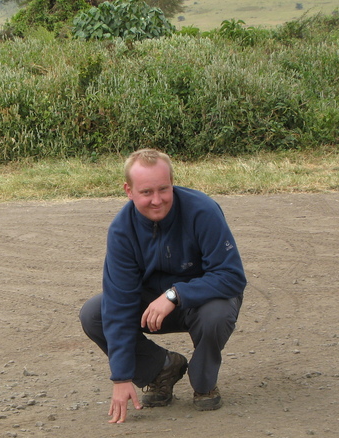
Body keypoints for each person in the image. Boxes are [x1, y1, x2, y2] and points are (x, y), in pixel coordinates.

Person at [79, 149, 246, 423]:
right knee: (94, 313)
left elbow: (232, 275)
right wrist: (122, 376)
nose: (157, 200)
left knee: (216, 313)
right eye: (146, 192)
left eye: (163, 189)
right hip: (152, 308)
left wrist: (175, 294)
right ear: (128, 191)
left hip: (200, 303)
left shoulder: (202, 210)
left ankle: (204, 383)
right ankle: (162, 369)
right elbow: (119, 304)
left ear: (172, 183)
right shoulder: (121, 231)